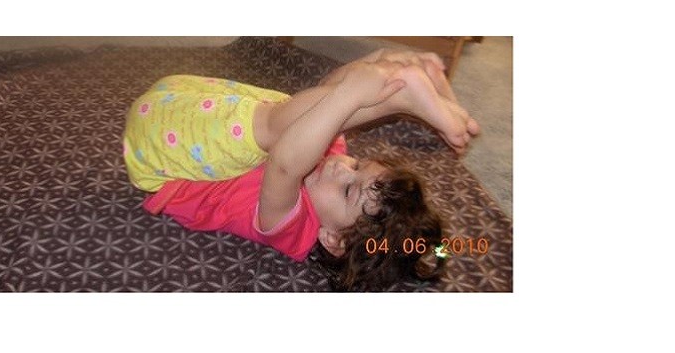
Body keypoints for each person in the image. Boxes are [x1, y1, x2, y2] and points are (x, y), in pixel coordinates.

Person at [123, 48, 480, 290]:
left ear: (334, 239)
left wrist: (351, 96)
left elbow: (284, 164)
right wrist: (373, 63)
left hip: (163, 151)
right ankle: (395, 75)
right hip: (191, 101)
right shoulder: (328, 171)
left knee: (282, 128)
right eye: (357, 165)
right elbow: (328, 90)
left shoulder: (296, 229)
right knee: (314, 109)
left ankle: (399, 96)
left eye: (348, 190)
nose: (342, 167)